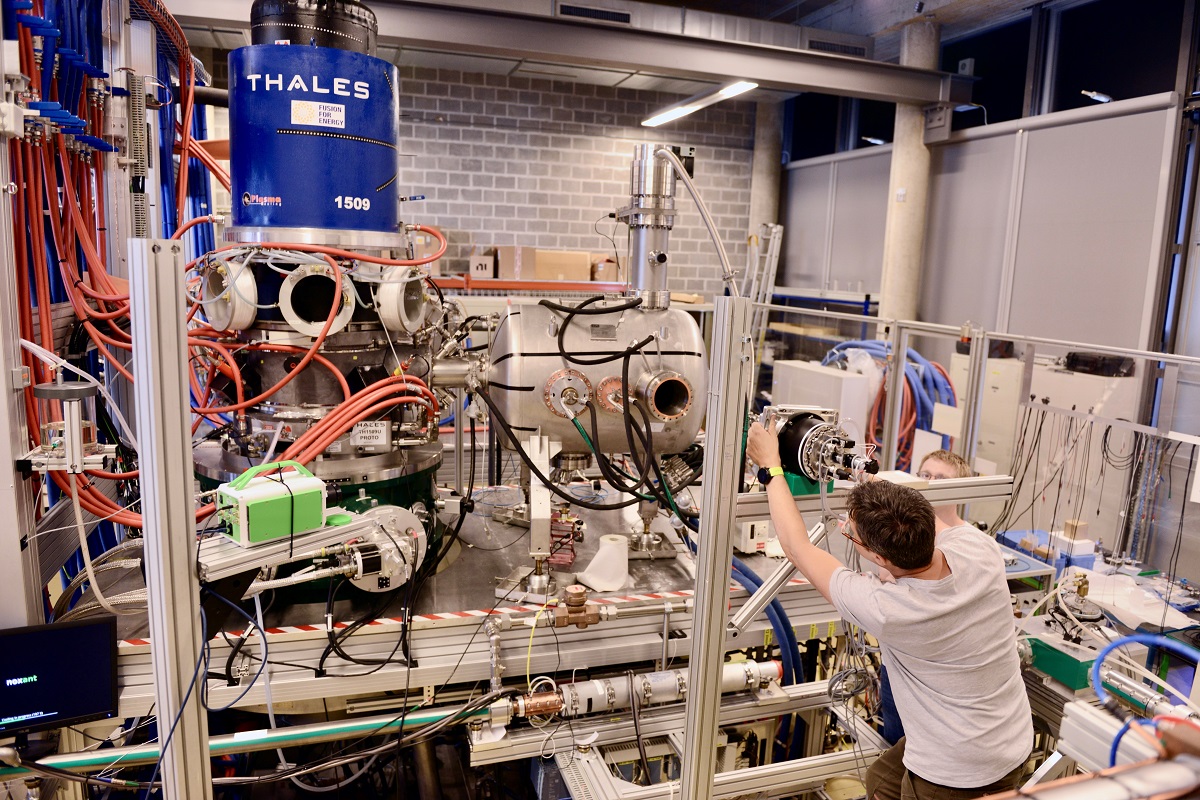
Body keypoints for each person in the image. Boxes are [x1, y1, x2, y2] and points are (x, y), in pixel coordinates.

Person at [747, 420, 1032, 800]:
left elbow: (798, 547)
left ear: (877, 556)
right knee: (881, 779)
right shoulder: (979, 549)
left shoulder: (889, 610)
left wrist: (770, 468)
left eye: (852, 535)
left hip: (955, 773)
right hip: (1010, 736)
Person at [915, 449, 973, 530]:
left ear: (960, 490)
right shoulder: (905, 529)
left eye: (940, 478)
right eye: (925, 475)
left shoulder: (969, 539)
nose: (930, 482)